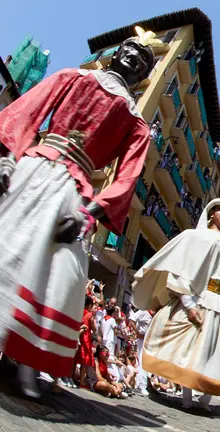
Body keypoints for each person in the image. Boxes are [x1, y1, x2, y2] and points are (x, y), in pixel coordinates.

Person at [0, 28, 159, 398]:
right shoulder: (74, 77)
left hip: (72, 191)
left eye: (143, 59)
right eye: (130, 49)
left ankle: (24, 360)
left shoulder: (136, 123)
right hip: (33, 168)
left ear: (143, 75)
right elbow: (30, 109)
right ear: (118, 52)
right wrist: (9, 157)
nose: (134, 56)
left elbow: (128, 176)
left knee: (57, 273)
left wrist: (91, 212)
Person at [131, 198, 220, 412]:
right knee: (190, 350)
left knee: (214, 354)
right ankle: (186, 397)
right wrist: (189, 304)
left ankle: (205, 400)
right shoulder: (194, 236)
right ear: (211, 213)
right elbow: (182, 271)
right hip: (197, 300)